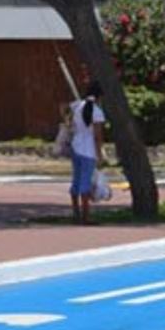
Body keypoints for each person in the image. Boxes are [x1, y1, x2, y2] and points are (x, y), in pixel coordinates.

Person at [69, 82, 106, 225]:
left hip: (76, 146)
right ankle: (86, 217)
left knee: (76, 180)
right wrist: (100, 154)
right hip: (88, 150)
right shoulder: (97, 111)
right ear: (99, 97)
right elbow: (98, 136)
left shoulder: (77, 106)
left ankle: (76, 213)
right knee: (85, 182)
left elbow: (66, 112)